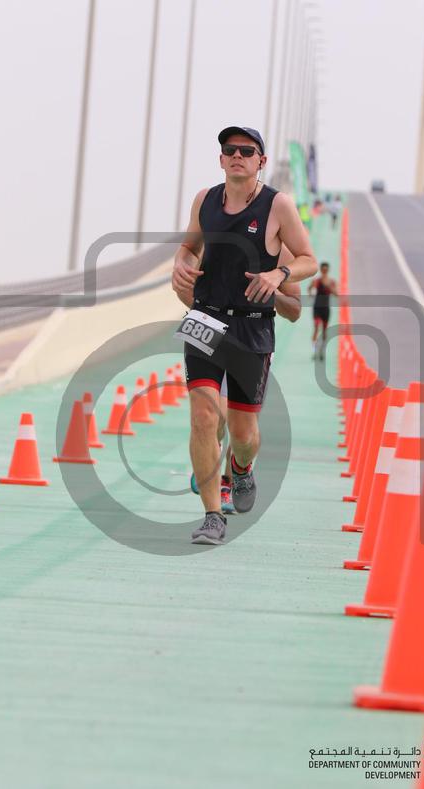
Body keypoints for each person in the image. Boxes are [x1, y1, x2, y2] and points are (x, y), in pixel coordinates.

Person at [172, 125, 318, 545]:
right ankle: (212, 515)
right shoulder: (205, 200)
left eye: (246, 150)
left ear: (261, 161)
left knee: (243, 434)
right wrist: (180, 264)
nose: (237, 155)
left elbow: (308, 259)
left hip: (251, 326)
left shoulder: (278, 206)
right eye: (229, 149)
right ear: (221, 159)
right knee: (203, 417)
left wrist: (279, 274)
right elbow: (188, 247)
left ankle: (241, 468)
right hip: (205, 319)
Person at [178, 270, 302, 514]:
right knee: (212, 417)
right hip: (210, 328)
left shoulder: (280, 254)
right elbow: (181, 285)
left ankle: (230, 478)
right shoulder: (209, 244)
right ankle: (208, 462)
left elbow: (294, 310)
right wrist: (208, 307)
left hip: (250, 337)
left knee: (240, 429)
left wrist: (270, 290)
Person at [307, 261, 338, 360]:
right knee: (316, 327)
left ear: (328, 270)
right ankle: (315, 351)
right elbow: (309, 288)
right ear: (321, 270)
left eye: (326, 270)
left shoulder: (332, 282)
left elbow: (336, 294)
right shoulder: (317, 281)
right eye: (323, 270)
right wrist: (310, 293)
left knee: (324, 331)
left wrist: (330, 288)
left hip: (326, 308)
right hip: (317, 308)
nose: (324, 272)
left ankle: (322, 351)